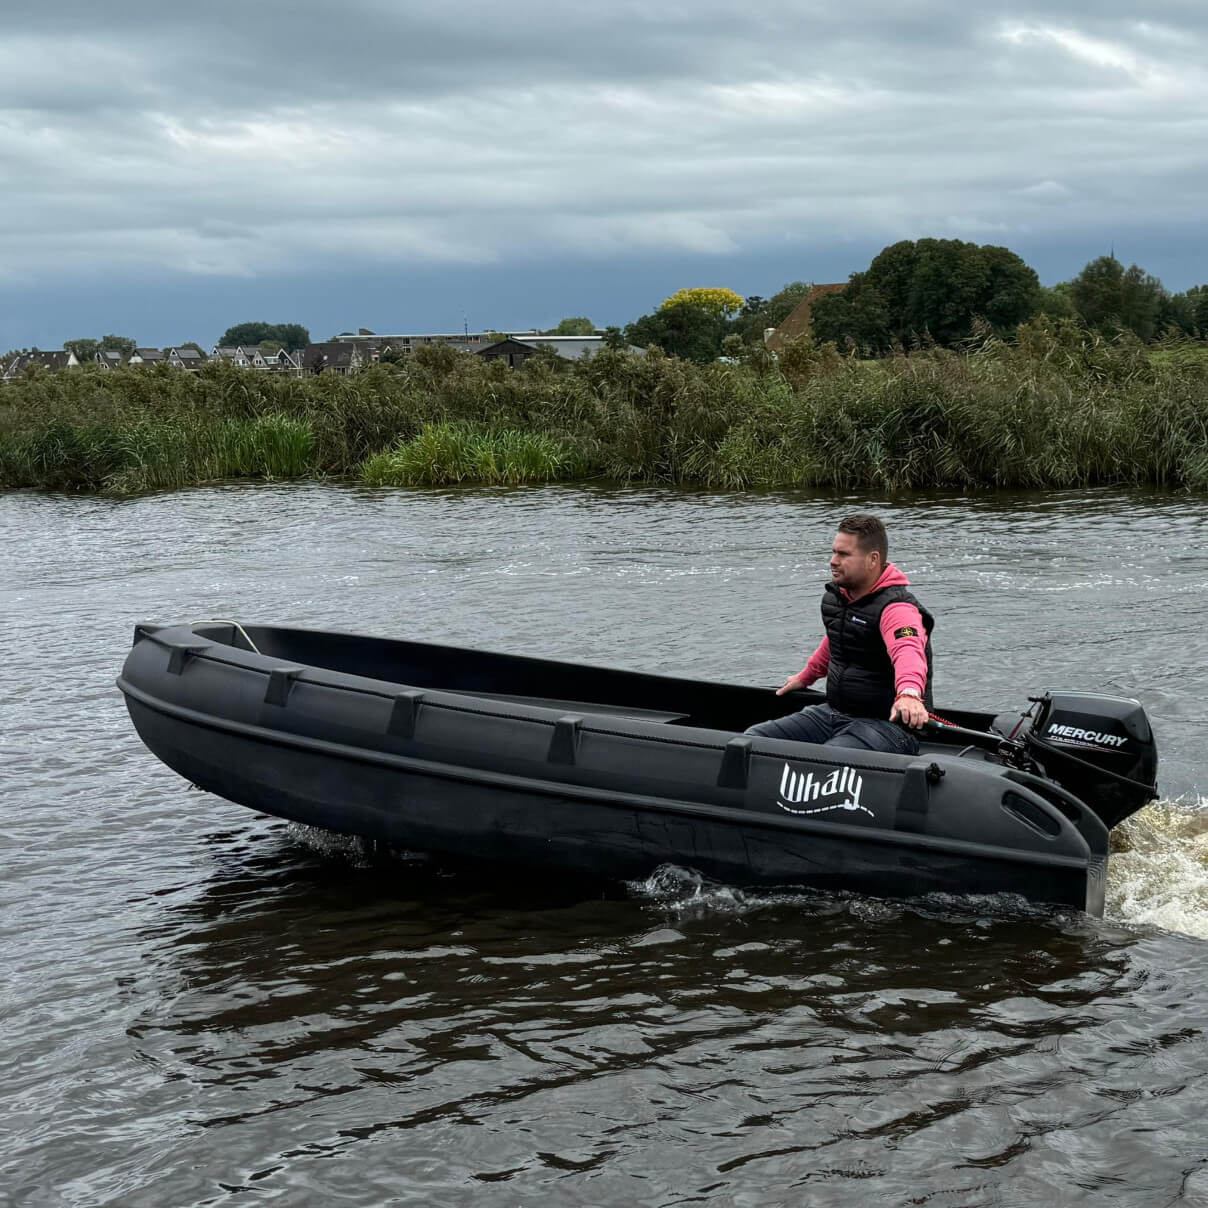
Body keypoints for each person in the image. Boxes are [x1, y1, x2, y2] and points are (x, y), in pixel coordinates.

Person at [746, 514, 933, 755]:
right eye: (834, 552)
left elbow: (908, 652)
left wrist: (909, 694)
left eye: (844, 554)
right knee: (754, 739)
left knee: (827, 759)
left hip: (888, 726)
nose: (833, 561)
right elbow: (838, 640)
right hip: (836, 712)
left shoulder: (897, 609)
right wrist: (806, 676)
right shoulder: (839, 598)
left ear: (872, 559)